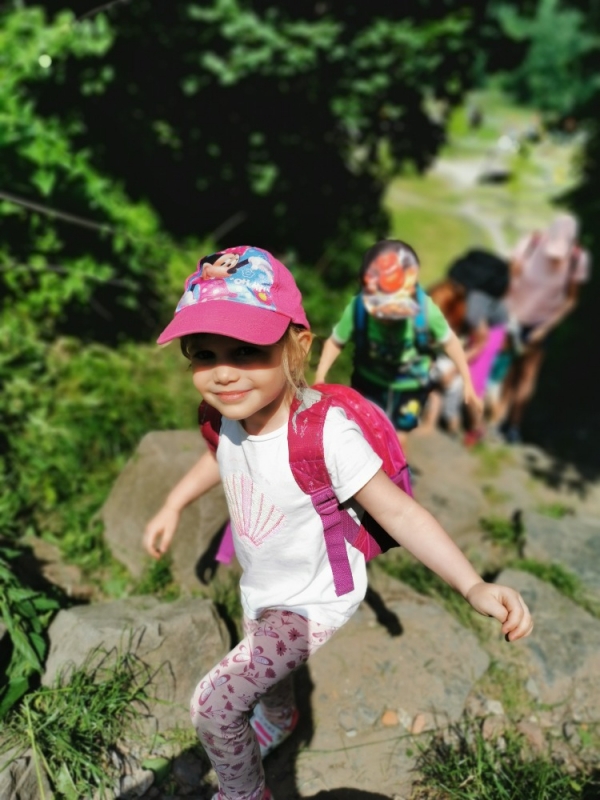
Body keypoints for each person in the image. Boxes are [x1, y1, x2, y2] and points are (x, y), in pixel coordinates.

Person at [143, 245, 533, 800]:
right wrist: (173, 504)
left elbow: (398, 511)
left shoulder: (325, 435)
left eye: (247, 349)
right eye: (204, 354)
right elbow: (218, 455)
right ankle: (281, 720)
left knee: (214, 705)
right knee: (266, 666)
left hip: (313, 600)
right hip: (263, 583)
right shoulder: (228, 416)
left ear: (298, 347)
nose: (223, 372)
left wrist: (472, 584)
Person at [314, 239, 482, 446]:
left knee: (398, 439)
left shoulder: (426, 310)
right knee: (360, 433)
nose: (389, 319)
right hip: (370, 381)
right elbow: (336, 341)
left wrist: (467, 381)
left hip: (410, 385)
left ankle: (396, 466)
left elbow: (451, 343)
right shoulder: (359, 308)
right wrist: (320, 375)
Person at [495, 213, 591, 443]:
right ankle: (496, 418)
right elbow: (510, 278)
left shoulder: (578, 259)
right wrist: (507, 315)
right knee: (507, 367)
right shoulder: (530, 243)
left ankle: (514, 426)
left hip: (543, 321)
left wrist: (545, 329)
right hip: (514, 314)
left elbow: (571, 300)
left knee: (528, 373)